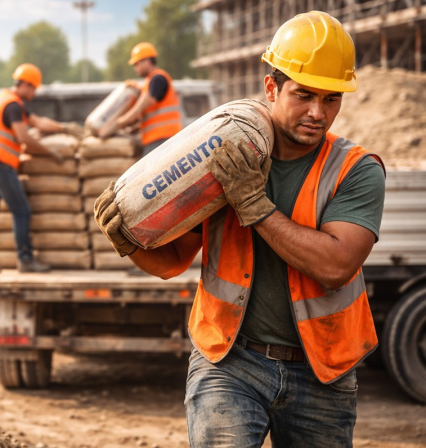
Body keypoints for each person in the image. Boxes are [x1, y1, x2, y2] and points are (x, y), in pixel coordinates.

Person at [94, 11, 385, 447]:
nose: (317, 112)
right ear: (271, 87)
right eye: (304, 94)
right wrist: (128, 241)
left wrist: (255, 205)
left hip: (322, 369)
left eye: (331, 99)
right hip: (230, 361)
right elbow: (171, 262)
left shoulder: (355, 170)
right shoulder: (225, 157)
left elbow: (336, 265)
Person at [0, 63, 67, 273]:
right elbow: (24, 138)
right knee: (22, 210)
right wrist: (50, 153)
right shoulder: (13, 105)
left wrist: (62, 128)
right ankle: (25, 260)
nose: (34, 93)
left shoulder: (4, 98)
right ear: (25, 85)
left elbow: (38, 122)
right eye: (33, 89)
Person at [98, 42, 182, 157]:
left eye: (136, 64)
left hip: (161, 139)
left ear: (146, 61)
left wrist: (115, 125)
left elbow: (137, 110)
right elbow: (150, 115)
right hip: (159, 139)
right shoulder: (150, 81)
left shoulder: (158, 79)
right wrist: (134, 127)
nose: (135, 68)